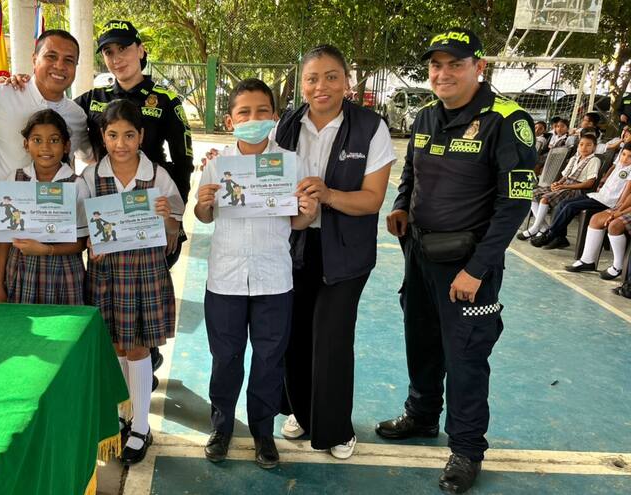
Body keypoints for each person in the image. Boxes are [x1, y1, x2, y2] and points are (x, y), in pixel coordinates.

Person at [379, 28, 537, 494]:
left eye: (455, 64)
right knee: (421, 340)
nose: (443, 73)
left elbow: (516, 204)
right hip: (421, 255)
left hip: (469, 265)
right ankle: (423, 415)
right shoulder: (426, 116)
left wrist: (478, 269)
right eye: (436, 65)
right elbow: (412, 168)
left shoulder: (508, 120)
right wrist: (402, 204)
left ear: (479, 67)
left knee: (466, 357)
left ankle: (466, 449)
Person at [273, 45, 396, 460]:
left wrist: (327, 194)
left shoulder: (370, 127)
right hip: (295, 244)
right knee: (295, 335)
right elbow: (264, 179)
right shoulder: (287, 125)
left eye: (330, 77)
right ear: (302, 85)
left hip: (345, 251)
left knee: (331, 338)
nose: (320, 86)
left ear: (347, 81)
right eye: (311, 78)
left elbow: (373, 199)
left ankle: (336, 428)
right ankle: (303, 414)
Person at [194, 79, 318, 469]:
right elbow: (204, 216)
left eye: (262, 111)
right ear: (231, 121)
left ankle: (264, 432)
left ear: (275, 118)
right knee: (225, 358)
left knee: (269, 359)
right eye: (244, 113)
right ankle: (223, 427)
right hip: (226, 279)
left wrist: (308, 213)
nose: (253, 119)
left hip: (274, 279)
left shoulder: (291, 164)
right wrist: (202, 203)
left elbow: (296, 222)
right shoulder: (217, 164)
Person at [77, 100, 185, 465]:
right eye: (112, 135)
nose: (120, 143)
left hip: (145, 272)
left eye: (128, 135)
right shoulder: (90, 177)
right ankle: (124, 414)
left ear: (141, 136)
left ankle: (141, 426)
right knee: (117, 348)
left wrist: (168, 217)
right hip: (107, 274)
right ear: (102, 137)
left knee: (138, 347)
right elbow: (85, 230)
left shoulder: (158, 176)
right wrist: (93, 243)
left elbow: (175, 230)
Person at [0, 29, 93, 282]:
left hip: (59, 236)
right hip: (8, 237)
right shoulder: (0, 96)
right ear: (34, 59)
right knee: (11, 312)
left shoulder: (76, 116)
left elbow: (91, 157)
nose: (59, 66)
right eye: (51, 56)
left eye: (69, 60)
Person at [74, 20, 192, 268]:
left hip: (150, 213)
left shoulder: (166, 100)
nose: (116, 58)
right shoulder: (92, 99)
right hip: (105, 214)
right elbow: (51, 113)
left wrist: (175, 221)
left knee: (148, 285)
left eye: (124, 48)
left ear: (140, 50)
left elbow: (183, 162)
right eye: (109, 52)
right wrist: (16, 84)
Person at [0, 109, 88, 304]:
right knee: (22, 328)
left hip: (64, 273)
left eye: (54, 140)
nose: (45, 147)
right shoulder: (15, 179)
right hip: (21, 271)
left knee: (64, 329)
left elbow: (80, 244)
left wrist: (46, 250)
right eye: (37, 140)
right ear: (25, 144)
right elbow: (4, 241)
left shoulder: (76, 184)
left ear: (66, 146)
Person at [521, 133, 601, 248]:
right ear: (578, 146)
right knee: (531, 194)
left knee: (545, 198)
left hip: (576, 189)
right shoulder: (574, 158)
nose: (584, 148)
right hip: (564, 185)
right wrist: (558, 183)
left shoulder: (594, 160)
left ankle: (535, 228)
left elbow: (589, 183)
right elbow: (565, 176)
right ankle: (543, 227)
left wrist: (565, 187)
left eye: (588, 145)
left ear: (594, 147)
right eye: (582, 144)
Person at [564, 146, 631, 279]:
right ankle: (588, 260)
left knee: (614, 225)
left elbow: (627, 192)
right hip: (619, 204)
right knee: (595, 219)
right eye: (624, 154)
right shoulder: (620, 164)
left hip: (619, 204)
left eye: (629, 157)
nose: (625, 158)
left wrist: (618, 210)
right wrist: (619, 209)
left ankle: (618, 266)